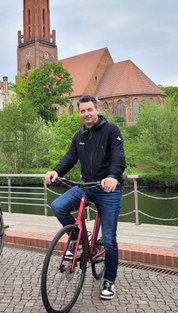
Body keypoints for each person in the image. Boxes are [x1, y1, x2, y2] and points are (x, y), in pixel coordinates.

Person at [44, 95, 126, 300]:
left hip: (108, 190)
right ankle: (77, 239)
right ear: (79, 113)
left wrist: (112, 176)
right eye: (82, 111)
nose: (86, 114)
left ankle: (109, 280)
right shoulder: (79, 135)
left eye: (89, 109)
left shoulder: (111, 130)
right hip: (86, 187)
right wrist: (56, 171)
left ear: (97, 109)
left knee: (108, 239)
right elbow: (70, 158)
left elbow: (118, 158)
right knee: (58, 205)